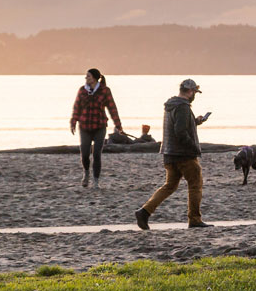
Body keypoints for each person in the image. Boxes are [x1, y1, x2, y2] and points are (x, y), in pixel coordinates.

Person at [135, 78, 212, 229]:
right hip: (183, 154)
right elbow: (181, 132)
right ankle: (195, 219)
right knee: (196, 184)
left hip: (169, 153)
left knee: (169, 186)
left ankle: (144, 211)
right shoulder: (183, 107)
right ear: (190, 92)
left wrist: (196, 121)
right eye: (194, 92)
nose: (194, 95)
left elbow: (180, 125)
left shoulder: (171, 105)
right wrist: (194, 148)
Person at [69, 68, 124, 188]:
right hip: (84, 126)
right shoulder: (82, 90)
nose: (86, 78)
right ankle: (86, 173)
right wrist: (73, 122)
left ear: (94, 78)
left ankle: (95, 181)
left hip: (100, 126)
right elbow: (76, 107)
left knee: (97, 154)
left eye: (88, 76)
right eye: (86, 76)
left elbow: (112, 108)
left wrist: (118, 125)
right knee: (84, 152)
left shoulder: (105, 91)